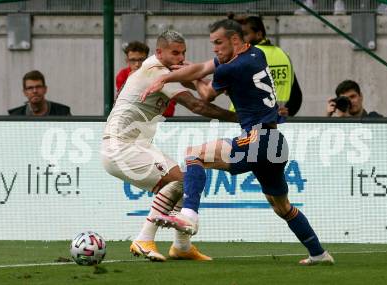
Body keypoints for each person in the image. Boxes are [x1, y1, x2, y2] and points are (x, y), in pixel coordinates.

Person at [142, 19, 334, 266]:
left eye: (218, 43)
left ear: (235, 40)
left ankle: (189, 215)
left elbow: (206, 92)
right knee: (282, 207)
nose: (215, 48)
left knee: (194, 155)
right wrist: (176, 76)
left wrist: (169, 79)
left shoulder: (229, 69)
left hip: (256, 139)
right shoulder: (257, 54)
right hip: (274, 142)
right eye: (212, 44)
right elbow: (200, 67)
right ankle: (318, 252)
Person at [101, 30, 238, 262]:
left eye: (183, 53)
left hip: (135, 144)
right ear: (159, 52)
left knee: (184, 186)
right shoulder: (156, 71)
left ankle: (181, 247)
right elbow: (198, 106)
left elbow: (207, 92)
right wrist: (239, 117)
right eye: (175, 53)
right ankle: (143, 239)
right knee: (183, 181)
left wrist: (210, 77)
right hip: (121, 146)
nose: (180, 58)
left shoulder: (166, 69)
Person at [233, 15, 302, 117]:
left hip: (246, 122)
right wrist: (289, 112)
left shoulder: (246, 56)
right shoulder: (283, 55)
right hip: (276, 122)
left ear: (259, 34)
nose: (242, 39)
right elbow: (297, 96)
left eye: (245, 34)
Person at [116, 41, 176, 117]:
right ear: (127, 61)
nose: (137, 64)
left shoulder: (159, 72)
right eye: (133, 60)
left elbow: (171, 103)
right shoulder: (123, 75)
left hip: (162, 118)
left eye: (141, 60)